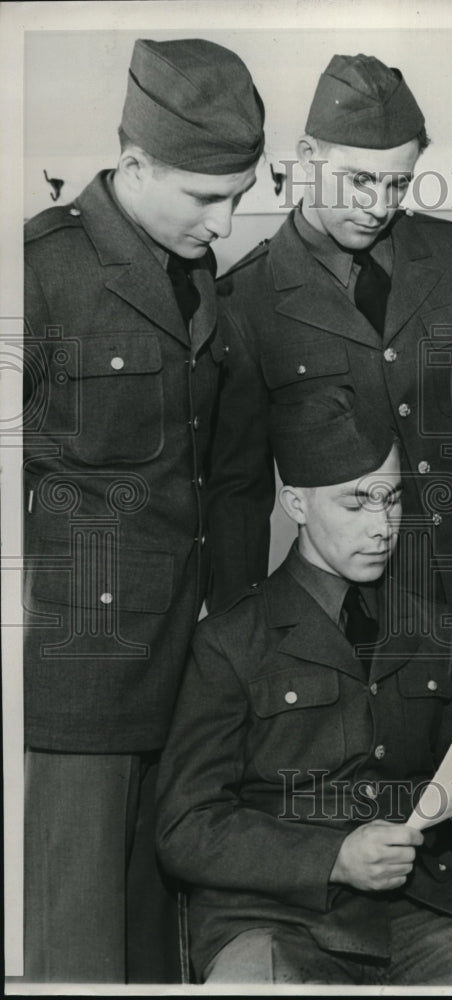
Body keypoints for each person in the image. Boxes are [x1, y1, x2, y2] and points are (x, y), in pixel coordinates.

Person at [208, 52, 452, 930]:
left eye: (398, 183)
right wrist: (240, 641)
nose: (379, 203)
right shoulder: (248, 297)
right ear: (306, 157)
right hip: (371, 642)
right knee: (375, 875)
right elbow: (238, 491)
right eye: (360, 180)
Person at [155, 386, 452, 987]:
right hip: (269, 921)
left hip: (411, 916)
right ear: (296, 503)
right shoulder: (229, 642)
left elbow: (449, 791)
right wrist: (332, 858)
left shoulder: (431, 628)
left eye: (391, 499)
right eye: (355, 504)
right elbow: (185, 827)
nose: (382, 527)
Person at [22, 38, 265, 983]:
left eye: (240, 196)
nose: (226, 220)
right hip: (83, 672)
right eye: (206, 196)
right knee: (79, 944)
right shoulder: (41, 269)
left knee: (158, 939)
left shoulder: (192, 268)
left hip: (186, 663)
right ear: (134, 166)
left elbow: (219, 480)